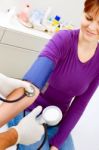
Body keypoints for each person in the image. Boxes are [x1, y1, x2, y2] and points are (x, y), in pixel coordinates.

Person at [0, 0, 99, 149]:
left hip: (56, 118)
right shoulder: (63, 39)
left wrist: (57, 143)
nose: (92, 27)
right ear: (82, 13)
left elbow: (80, 105)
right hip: (29, 109)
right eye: (89, 18)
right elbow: (32, 85)